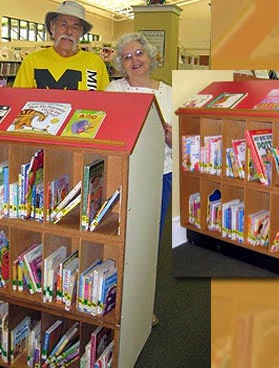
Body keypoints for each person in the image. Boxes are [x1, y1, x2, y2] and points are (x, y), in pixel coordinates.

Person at [106, 32, 172, 327]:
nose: (134, 60)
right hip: (120, 176)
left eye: (139, 54)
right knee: (114, 242)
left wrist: (173, 137)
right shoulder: (113, 90)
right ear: (120, 63)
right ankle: (110, 300)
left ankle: (142, 306)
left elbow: (185, 142)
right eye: (127, 56)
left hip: (160, 177)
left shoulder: (170, 93)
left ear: (151, 57)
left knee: (146, 243)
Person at [13, 1, 109, 90]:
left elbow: (105, 103)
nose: (69, 32)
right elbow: (19, 99)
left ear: (81, 32)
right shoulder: (32, 62)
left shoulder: (95, 63)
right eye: (63, 25)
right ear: (52, 27)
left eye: (75, 27)